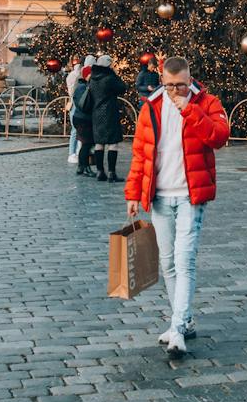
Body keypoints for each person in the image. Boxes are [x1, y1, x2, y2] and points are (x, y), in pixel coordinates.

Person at [123, 55, 231, 358]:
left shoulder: (207, 102)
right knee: (168, 262)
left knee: (185, 260)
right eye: (169, 85)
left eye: (180, 85)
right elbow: (141, 154)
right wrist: (133, 193)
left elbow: (219, 137)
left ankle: (178, 326)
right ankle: (184, 319)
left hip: (190, 195)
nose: (174, 91)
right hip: (159, 195)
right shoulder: (151, 107)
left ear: (189, 78)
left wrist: (190, 109)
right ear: (161, 79)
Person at [81, 55, 129, 182]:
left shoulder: (92, 79)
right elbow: (122, 87)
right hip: (110, 113)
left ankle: (100, 172)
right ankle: (112, 173)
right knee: (113, 143)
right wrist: (114, 74)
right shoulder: (109, 78)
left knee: (99, 143)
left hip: (96, 114)